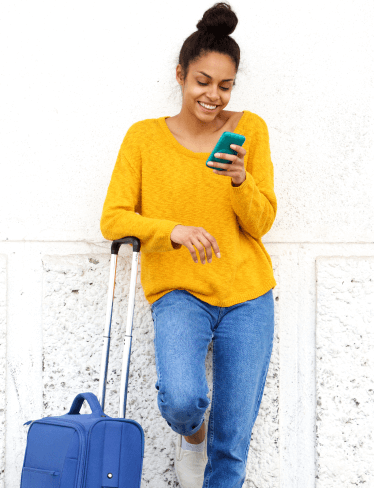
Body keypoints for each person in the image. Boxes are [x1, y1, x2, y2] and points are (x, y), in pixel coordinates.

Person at [100, 2, 277, 486]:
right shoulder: (143, 139)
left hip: (248, 296)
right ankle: (191, 438)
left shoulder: (249, 130)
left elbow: (261, 223)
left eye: (225, 85)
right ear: (180, 75)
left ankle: (213, 456)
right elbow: (113, 219)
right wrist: (171, 230)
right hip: (179, 293)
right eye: (203, 81)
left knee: (233, 446)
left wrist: (241, 181)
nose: (213, 95)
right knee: (182, 399)